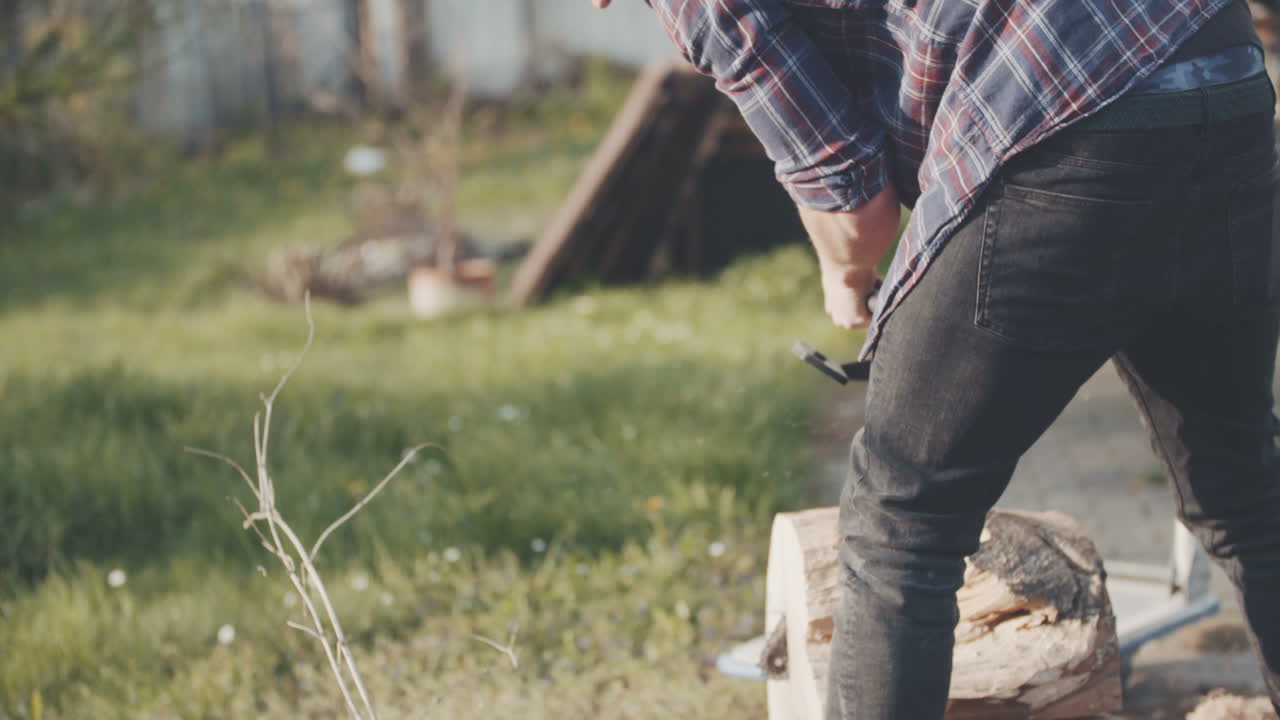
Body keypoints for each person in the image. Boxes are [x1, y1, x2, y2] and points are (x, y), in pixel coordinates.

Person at [589, 0, 1280, 717]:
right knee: (1245, 499)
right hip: (1222, 76)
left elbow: (855, 210)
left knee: (901, 526)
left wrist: (845, 272)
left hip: (1065, 106)